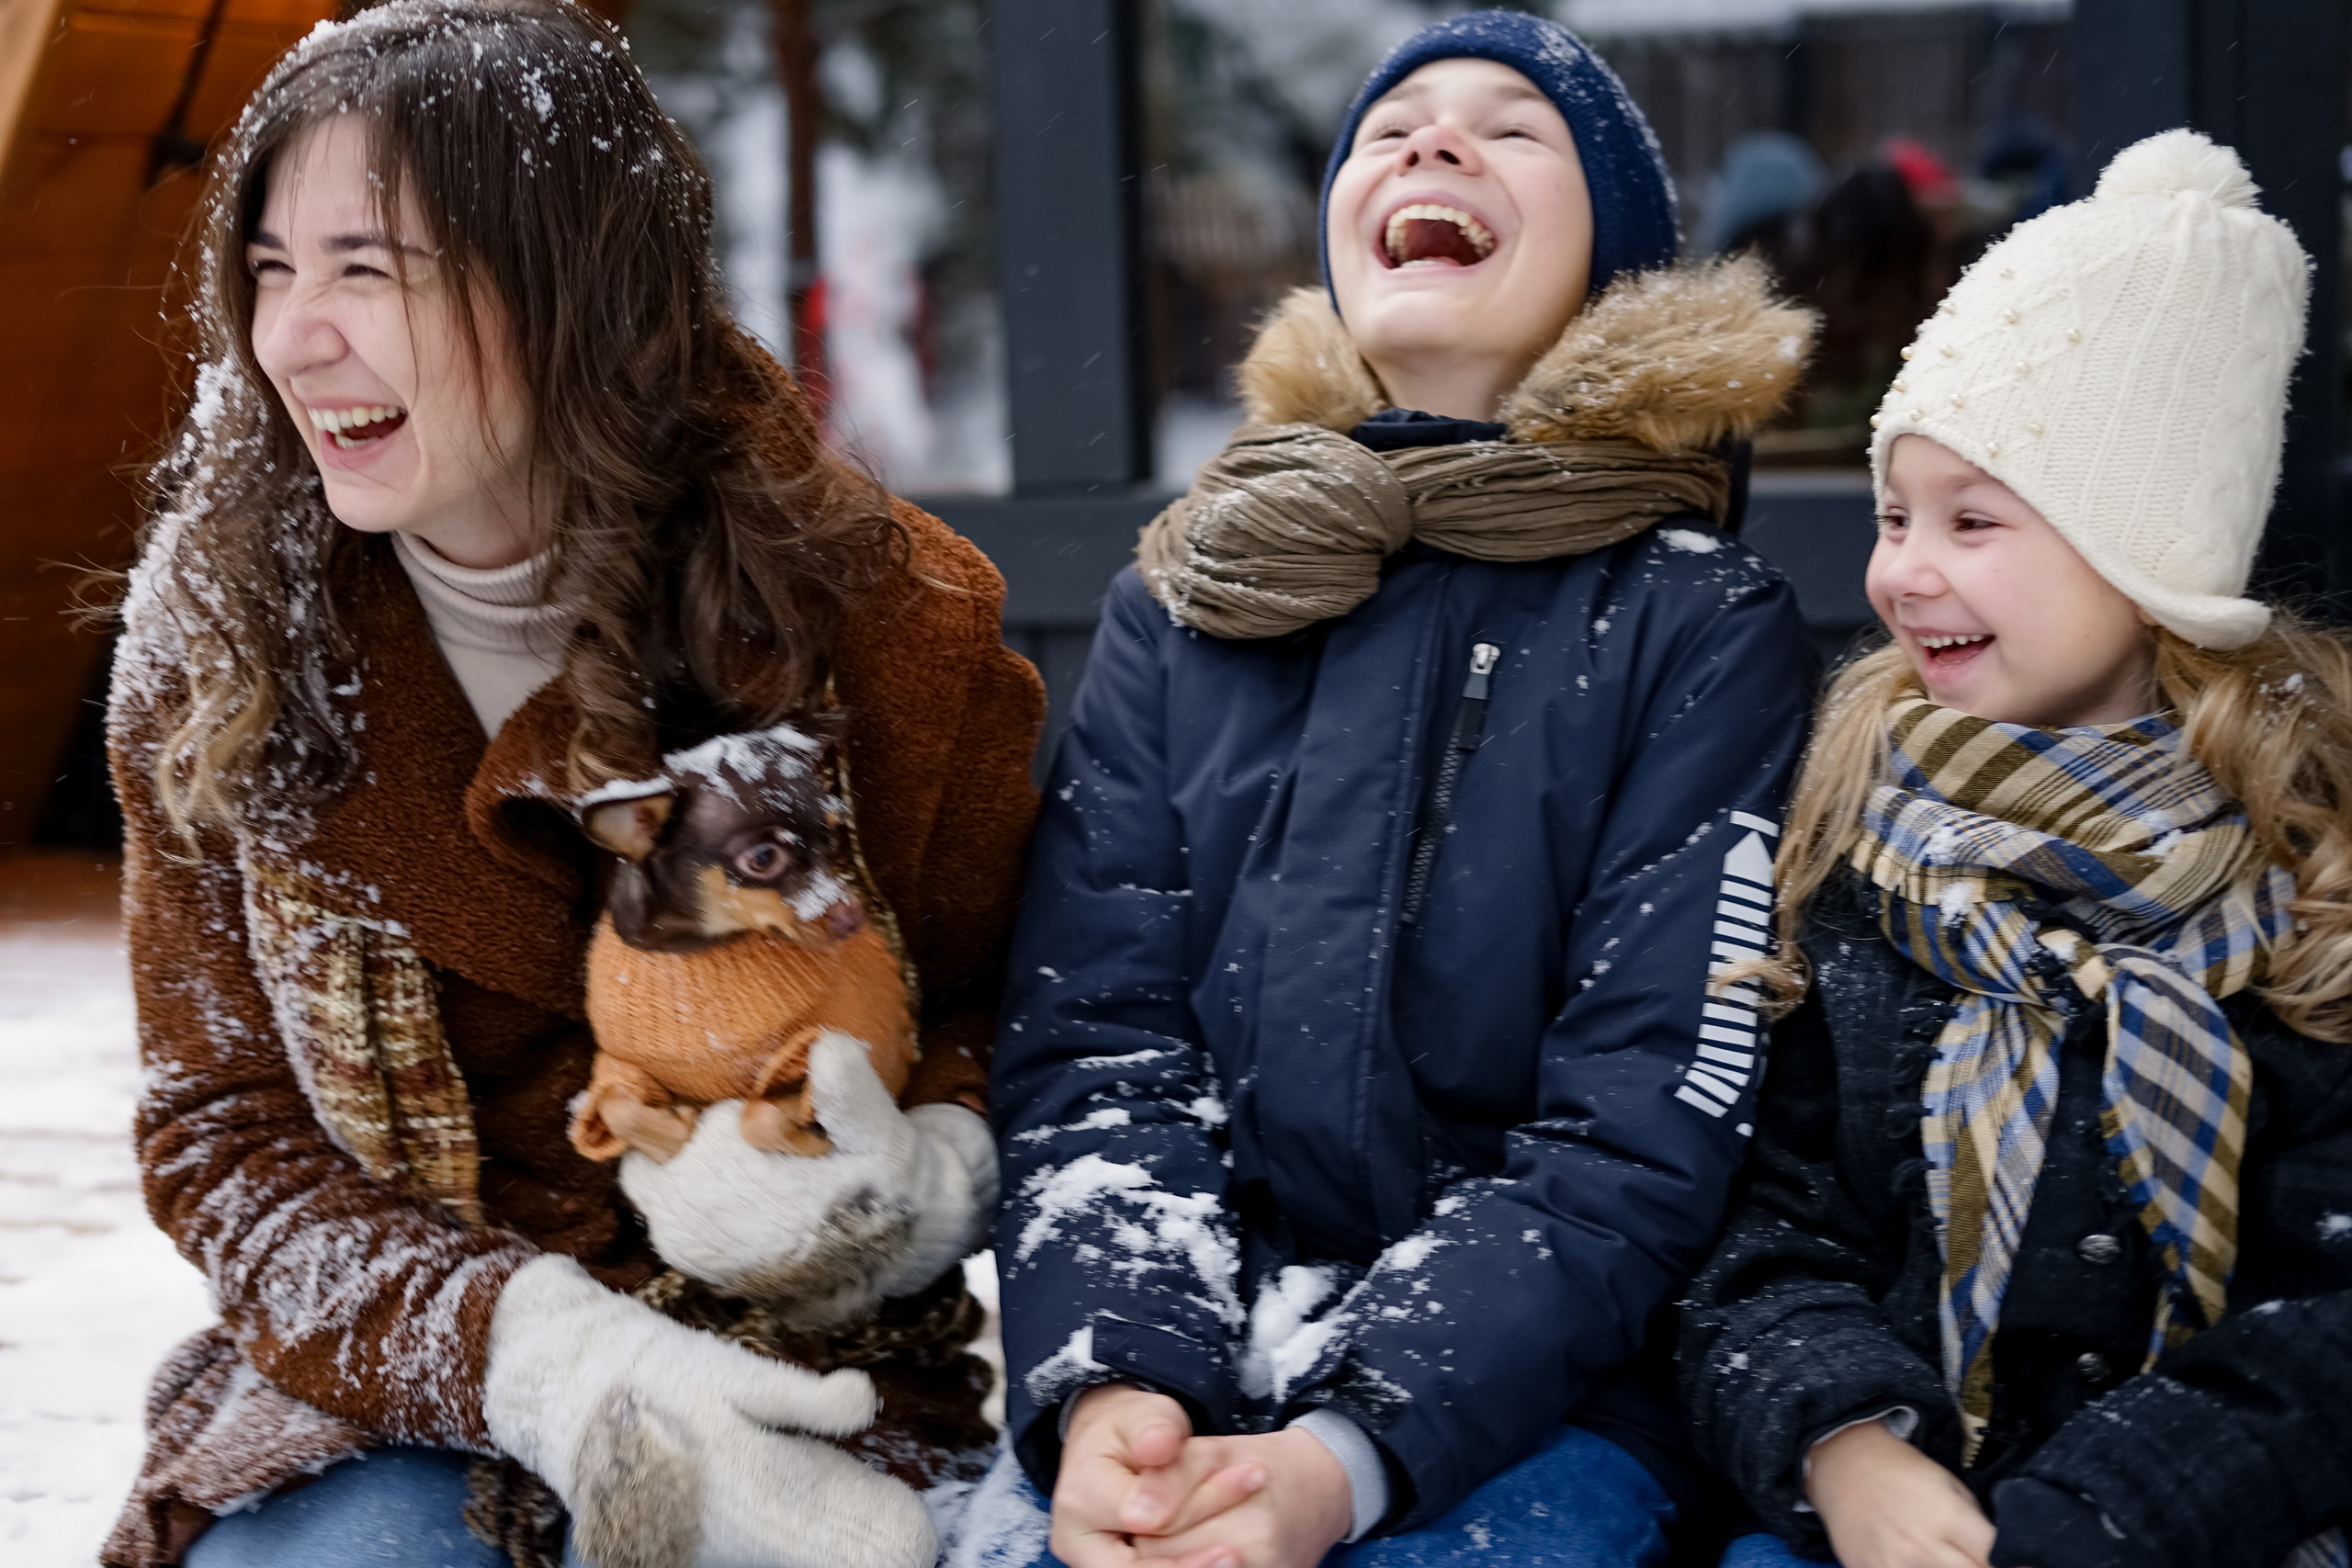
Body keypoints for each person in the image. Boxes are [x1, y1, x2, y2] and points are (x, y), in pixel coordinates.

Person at [98, 4, 1043, 1565]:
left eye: (367, 269)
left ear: (570, 286)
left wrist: (905, 1174)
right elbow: (221, 1132)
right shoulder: (217, 657)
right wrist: (543, 1357)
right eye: (271, 270)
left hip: (809, 1381)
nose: (295, 336)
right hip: (397, 1386)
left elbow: (1025, 1012)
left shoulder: (889, 623)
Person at [970, 12, 1821, 1568]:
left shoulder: (1694, 623)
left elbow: (1644, 1124)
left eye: (1512, 129)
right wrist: (1118, 1392)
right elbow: (1097, 1049)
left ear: (1611, 267)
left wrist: (1349, 1452)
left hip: (1542, 1402)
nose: (1433, 142)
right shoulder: (1191, 600)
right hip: (1202, 1349)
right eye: (1393, 124)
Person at [1680, 130, 2352, 1568]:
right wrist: (1848, 1439)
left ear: (2148, 556)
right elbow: (1766, 1232)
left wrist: (2114, 1509)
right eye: (1893, 514)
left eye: (1974, 521)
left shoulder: (2309, 873)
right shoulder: (1853, 844)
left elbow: (2332, 1313)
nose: (1904, 570)